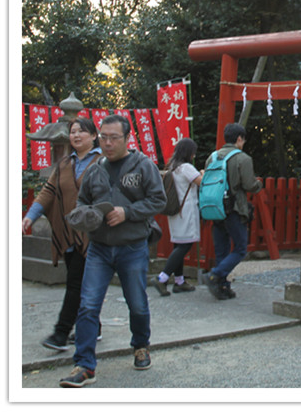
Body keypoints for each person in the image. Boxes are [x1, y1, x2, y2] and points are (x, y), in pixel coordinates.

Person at [58, 114, 167, 387]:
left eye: (113, 138)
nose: (107, 143)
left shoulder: (143, 166)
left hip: (132, 247)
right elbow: (82, 202)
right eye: (103, 137)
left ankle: (141, 345)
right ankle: (84, 365)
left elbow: (158, 200)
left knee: (137, 303)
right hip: (99, 249)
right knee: (88, 305)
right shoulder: (95, 170)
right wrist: (88, 216)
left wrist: (127, 212)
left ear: (126, 138)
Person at [22, 117, 102, 352]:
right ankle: (93, 327)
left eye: (82, 132)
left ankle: (61, 332)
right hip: (68, 233)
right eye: (73, 132)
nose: (76, 136)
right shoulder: (65, 163)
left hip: (93, 236)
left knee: (76, 283)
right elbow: (49, 190)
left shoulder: (103, 162)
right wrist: (31, 215)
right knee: (82, 283)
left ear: (94, 136)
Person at [203, 122, 263, 301]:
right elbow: (249, 185)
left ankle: (222, 287)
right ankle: (215, 275)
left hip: (215, 208)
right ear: (239, 139)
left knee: (221, 250)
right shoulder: (242, 159)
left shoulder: (211, 158)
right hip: (234, 209)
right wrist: (259, 183)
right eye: (243, 140)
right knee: (239, 249)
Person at [154, 138, 202, 296]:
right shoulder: (186, 167)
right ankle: (162, 278)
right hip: (186, 210)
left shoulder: (173, 167)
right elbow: (201, 182)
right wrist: (203, 173)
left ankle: (179, 281)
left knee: (178, 244)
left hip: (175, 211)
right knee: (185, 245)